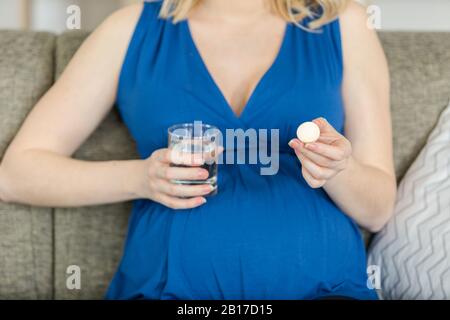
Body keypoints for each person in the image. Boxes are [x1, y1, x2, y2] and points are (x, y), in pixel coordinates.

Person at [0, 0, 396, 299]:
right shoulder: (130, 28)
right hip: (167, 291)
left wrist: (340, 169)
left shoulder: (342, 25)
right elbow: (16, 174)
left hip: (324, 290)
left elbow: (378, 209)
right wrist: (140, 178)